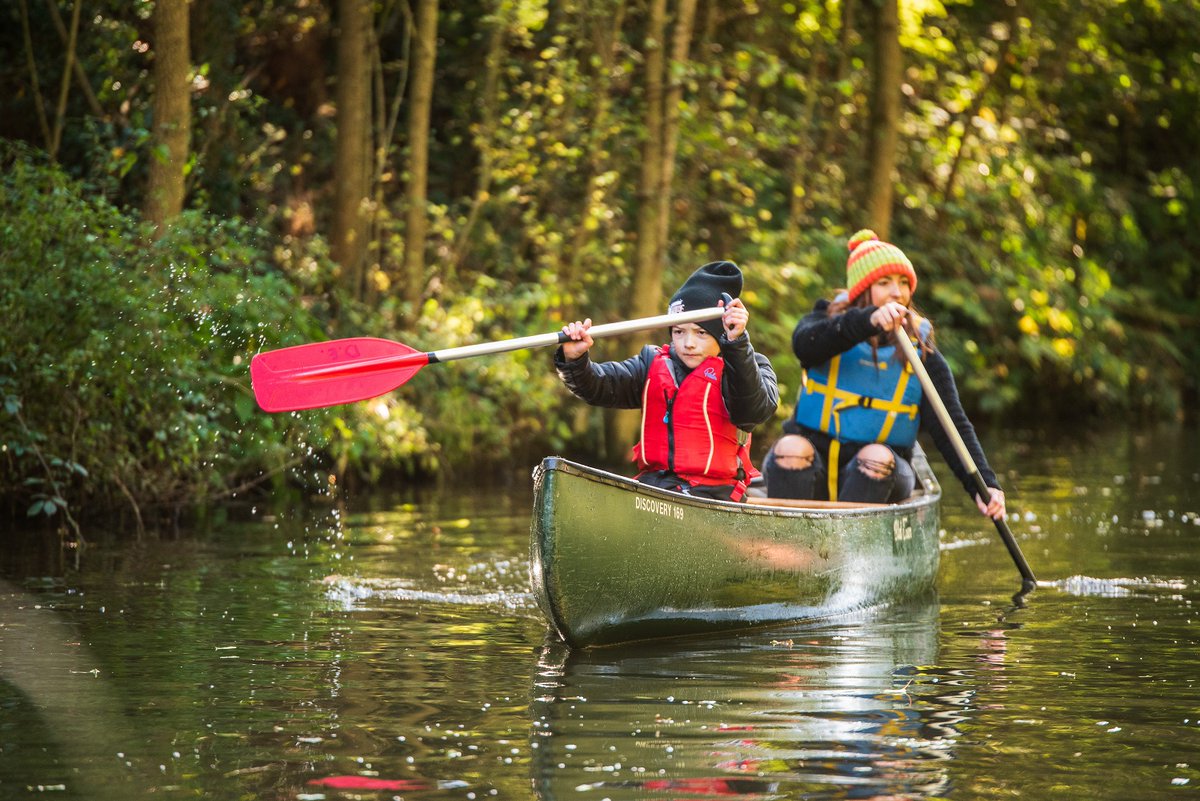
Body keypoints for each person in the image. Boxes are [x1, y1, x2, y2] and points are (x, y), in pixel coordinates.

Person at [765, 230, 1006, 520]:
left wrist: (985, 485)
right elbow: (804, 346)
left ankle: (850, 548)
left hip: (881, 474)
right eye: (885, 283)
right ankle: (786, 545)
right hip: (814, 467)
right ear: (862, 291)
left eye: (904, 282)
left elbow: (952, 425)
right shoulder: (826, 324)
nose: (898, 292)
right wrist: (868, 321)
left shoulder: (922, 353)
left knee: (876, 458)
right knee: (790, 448)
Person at [556, 261, 779, 502]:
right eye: (679, 331)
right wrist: (575, 358)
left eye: (701, 333)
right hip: (655, 488)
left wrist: (737, 344)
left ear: (723, 332)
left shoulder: (748, 365)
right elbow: (597, 386)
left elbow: (752, 412)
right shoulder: (651, 363)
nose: (688, 343)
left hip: (716, 495)